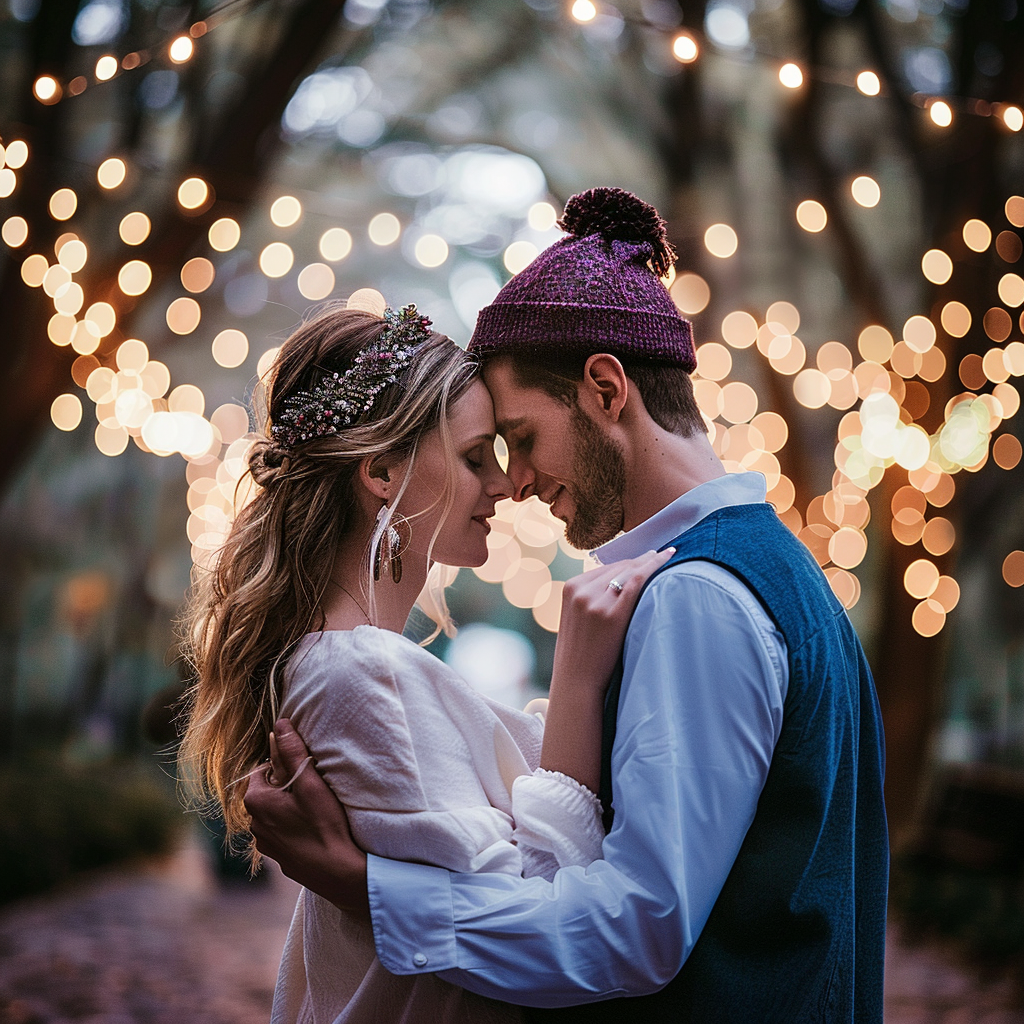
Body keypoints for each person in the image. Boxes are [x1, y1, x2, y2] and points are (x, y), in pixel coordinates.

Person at [245, 188, 890, 1022]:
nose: (514, 481)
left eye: (517, 437)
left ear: (605, 390)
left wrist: (366, 887)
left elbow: (632, 930)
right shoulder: (780, 573)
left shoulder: (697, 599)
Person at [178, 302, 671, 1024]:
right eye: (475, 457)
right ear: (381, 471)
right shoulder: (358, 673)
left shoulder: (355, 665)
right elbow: (543, 916)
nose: (503, 486)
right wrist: (578, 673)